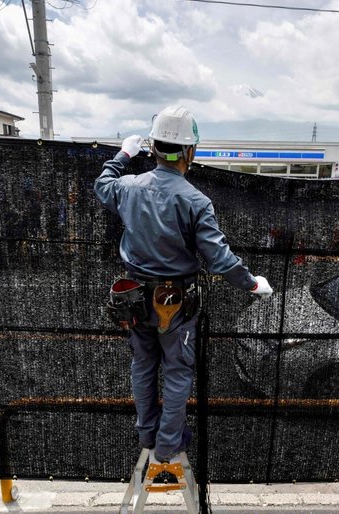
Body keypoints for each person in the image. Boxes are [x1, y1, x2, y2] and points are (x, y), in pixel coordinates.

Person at [94, 105, 273, 464]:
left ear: (153, 148)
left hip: (134, 299)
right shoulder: (195, 201)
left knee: (143, 364)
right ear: (189, 152)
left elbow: (102, 184)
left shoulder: (129, 187)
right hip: (174, 302)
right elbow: (219, 259)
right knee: (176, 371)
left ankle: (148, 434)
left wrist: (123, 155)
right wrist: (253, 284)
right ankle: (167, 444)